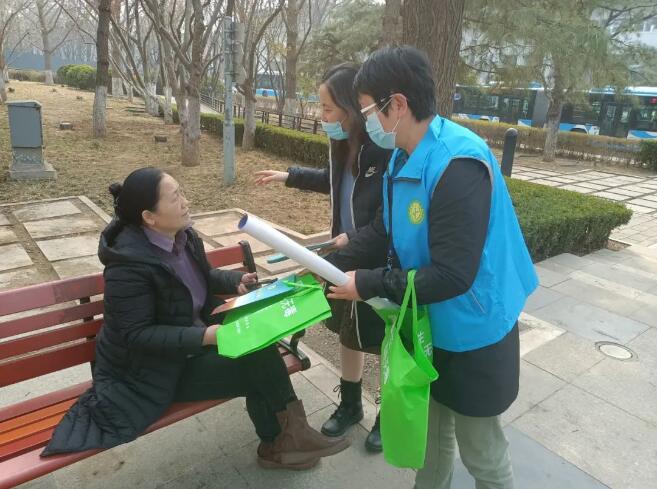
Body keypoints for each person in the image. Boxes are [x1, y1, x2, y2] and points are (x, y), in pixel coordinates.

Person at [324, 47, 539, 489]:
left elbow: (454, 274)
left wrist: (368, 283)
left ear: (398, 104)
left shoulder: (458, 163)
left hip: (476, 328)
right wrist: (326, 265)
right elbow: (383, 229)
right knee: (431, 442)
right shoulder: (402, 157)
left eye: (368, 110)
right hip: (430, 322)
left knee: (481, 450)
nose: (366, 121)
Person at [41, 167, 349, 470]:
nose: (186, 202)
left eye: (182, 193)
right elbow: (137, 335)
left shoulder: (183, 237)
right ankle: (284, 442)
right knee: (258, 366)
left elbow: (201, 277)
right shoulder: (127, 267)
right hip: (151, 371)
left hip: (190, 343)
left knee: (260, 348)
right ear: (149, 217)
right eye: (175, 198)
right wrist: (206, 336)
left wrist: (235, 282)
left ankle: (286, 441)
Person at [254, 64, 392, 452]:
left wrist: (352, 240)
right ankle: (350, 404)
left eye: (328, 107)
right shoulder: (342, 144)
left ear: (351, 107)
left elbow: (388, 219)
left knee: (383, 341)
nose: (322, 115)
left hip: (374, 260)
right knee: (349, 333)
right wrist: (289, 176)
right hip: (343, 257)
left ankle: (387, 414)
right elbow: (331, 180)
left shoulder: (383, 150)